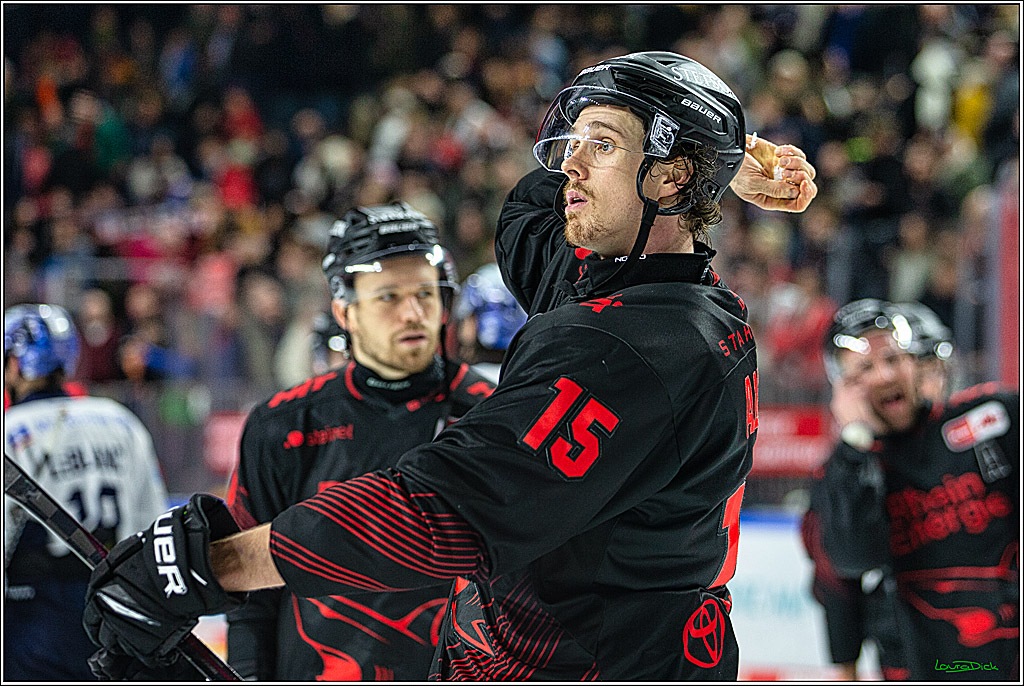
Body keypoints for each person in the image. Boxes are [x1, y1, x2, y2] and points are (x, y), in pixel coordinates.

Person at [82, 51, 817, 681]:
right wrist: (714, 172)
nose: (570, 163)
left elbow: (438, 511)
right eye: (575, 141)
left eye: (602, 145)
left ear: (668, 179)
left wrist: (210, 568)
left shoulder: (634, 351)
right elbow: (526, 221)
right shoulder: (639, 284)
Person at [224, 204, 497, 681]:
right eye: (388, 297)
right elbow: (250, 598)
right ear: (343, 310)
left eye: (426, 294)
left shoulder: (490, 413)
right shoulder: (282, 425)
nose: (413, 314)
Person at [811, 298, 1018, 680]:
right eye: (865, 370)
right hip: (919, 665)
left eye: (894, 359)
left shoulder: (994, 418)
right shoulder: (843, 472)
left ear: (914, 362)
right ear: (843, 389)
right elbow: (848, 567)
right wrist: (855, 440)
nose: (886, 375)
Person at [4, 304, 169, 680]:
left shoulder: (9, 431)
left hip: (32, 615)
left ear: (14, 364)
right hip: (111, 611)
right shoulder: (119, 420)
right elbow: (153, 525)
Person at [455, 262, 528, 384]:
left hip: (484, 361)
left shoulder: (479, 278)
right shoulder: (519, 278)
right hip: (517, 358)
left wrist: (467, 345)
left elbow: (468, 317)